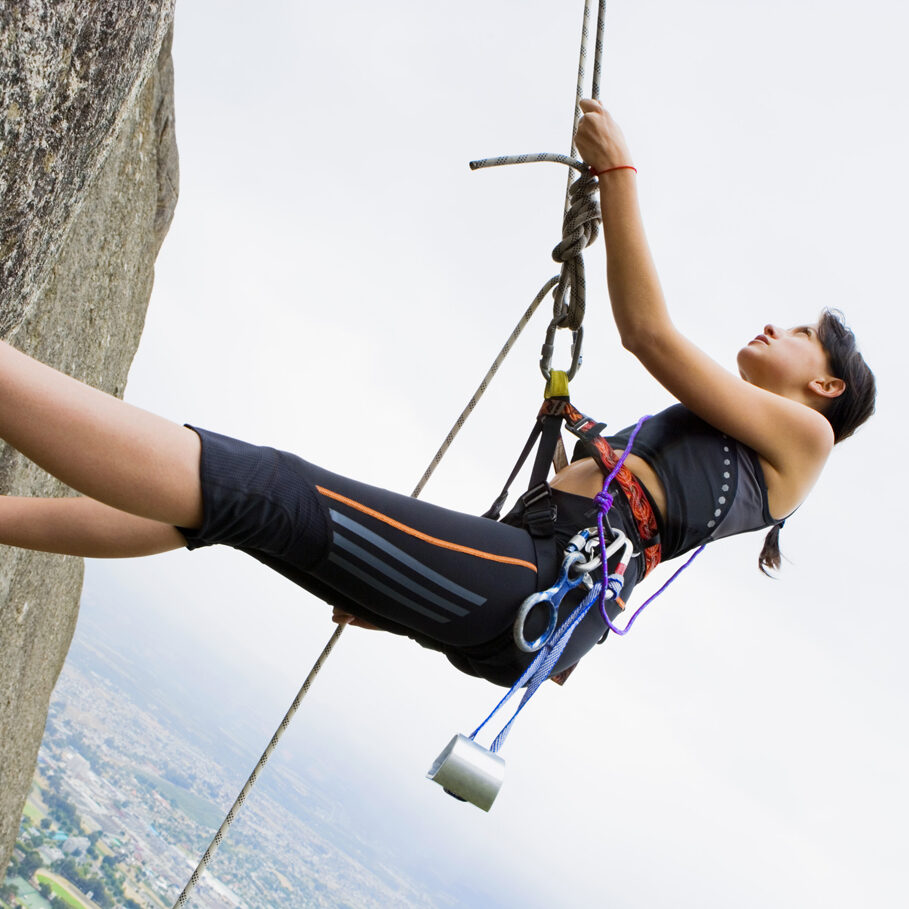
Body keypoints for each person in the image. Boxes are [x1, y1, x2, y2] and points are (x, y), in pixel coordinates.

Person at [0, 101, 875, 688]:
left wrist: (619, 176)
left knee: (261, 486)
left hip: (521, 589)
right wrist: (420, 596)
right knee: (215, 512)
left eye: (798, 333)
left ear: (823, 384)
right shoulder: (711, 444)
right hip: (513, 581)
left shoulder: (807, 443)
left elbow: (646, 333)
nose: (774, 327)